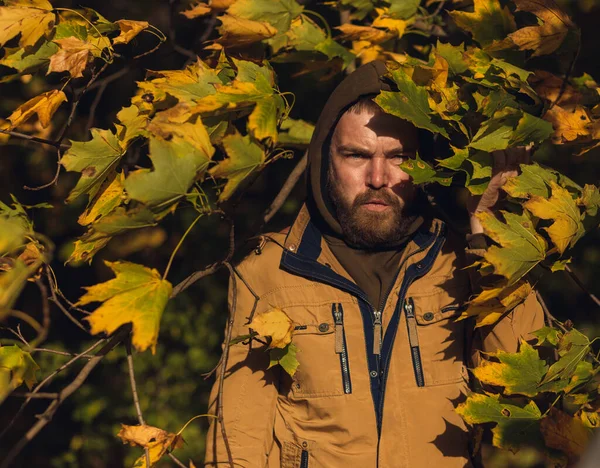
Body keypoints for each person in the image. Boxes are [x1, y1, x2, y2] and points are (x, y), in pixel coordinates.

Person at [203, 61, 544, 467]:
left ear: (423, 165)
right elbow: (236, 438)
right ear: (324, 161)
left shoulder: (463, 262)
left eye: (398, 157)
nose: (378, 177)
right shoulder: (268, 271)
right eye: (356, 155)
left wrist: (488, 233)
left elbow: (525, 395)